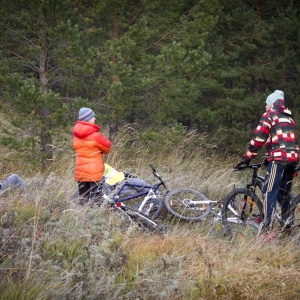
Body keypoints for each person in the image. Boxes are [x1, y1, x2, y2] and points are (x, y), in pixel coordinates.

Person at [235, 90, 299, 240]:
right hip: (293, 159)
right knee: (283, 194)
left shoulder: (270, 115)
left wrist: (246, 158)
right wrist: (267, 158)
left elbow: (258, 139)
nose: (265, 107)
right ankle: (287, 226)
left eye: (266, 104)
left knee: (269, 192)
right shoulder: (288, 118)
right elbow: (280, 141)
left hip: (279, 159)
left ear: (271, 104)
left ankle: (267, 229)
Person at [73, 107, 112, 202]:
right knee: (96, 201)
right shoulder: (96, 136)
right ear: (88, 119)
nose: (94, 118)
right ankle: (95, 216)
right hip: (95, 173)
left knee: (83, 200)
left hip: (81, 172)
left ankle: (82, 216)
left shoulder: (76, 136)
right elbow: (107, 148)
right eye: (93, 117)